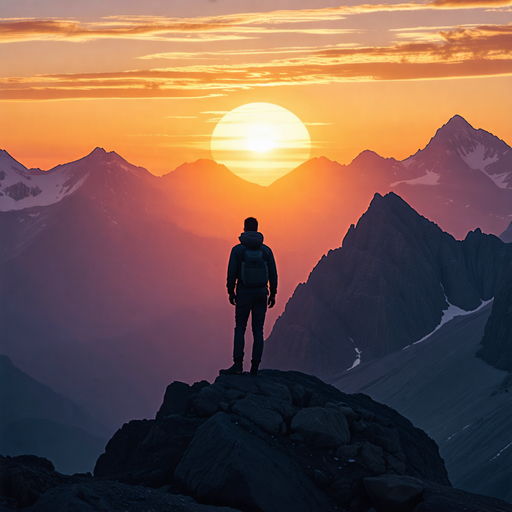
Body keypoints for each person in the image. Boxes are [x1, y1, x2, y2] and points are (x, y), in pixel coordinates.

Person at [220, 217, 278, 376]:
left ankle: (238, 364)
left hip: (244, 293)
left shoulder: (237, 250)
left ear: (244, 229)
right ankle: (255, 367)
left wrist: (231, 291)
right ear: (257, 229)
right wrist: (273, 293)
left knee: (240, 328)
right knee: (258, 329)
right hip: (261, 294)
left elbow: (231, 272)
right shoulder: (266, 250)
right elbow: (273, 273)